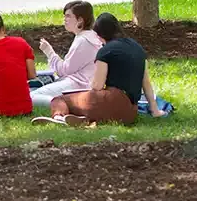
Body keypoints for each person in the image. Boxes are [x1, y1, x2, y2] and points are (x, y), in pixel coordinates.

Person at [34, 12, 167, 126]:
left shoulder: (105, 51)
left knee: (61, 100)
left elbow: (97, 86)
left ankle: (59, 117)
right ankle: (84, 120)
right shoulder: (137, 48)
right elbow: (146, 83)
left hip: (112, 100)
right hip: (131, 112)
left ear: (99, 35)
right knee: (88, 105)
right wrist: (155, 110)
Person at [31, 0, 102, 107]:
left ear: (80, 20)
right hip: (82, 84)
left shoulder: (83, 40)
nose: (65, 19)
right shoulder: (91, 36)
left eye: (68, 16)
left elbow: (63, 71)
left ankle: (62, 104)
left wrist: (49, 51)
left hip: (77, 85)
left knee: (31, 97)